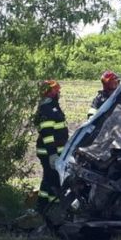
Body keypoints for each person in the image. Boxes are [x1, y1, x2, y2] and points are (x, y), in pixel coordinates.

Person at [34, 80, 69, 212]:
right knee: (53, 180)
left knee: (49, 178)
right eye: (55, 90)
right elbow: (47, 133)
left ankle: (43, 206)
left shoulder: (52, 106)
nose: (58, 92)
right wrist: (52, 154)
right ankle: (53, 208)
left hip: (55, 151)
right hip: (49, 152)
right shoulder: (46, 108)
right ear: (48, 92)